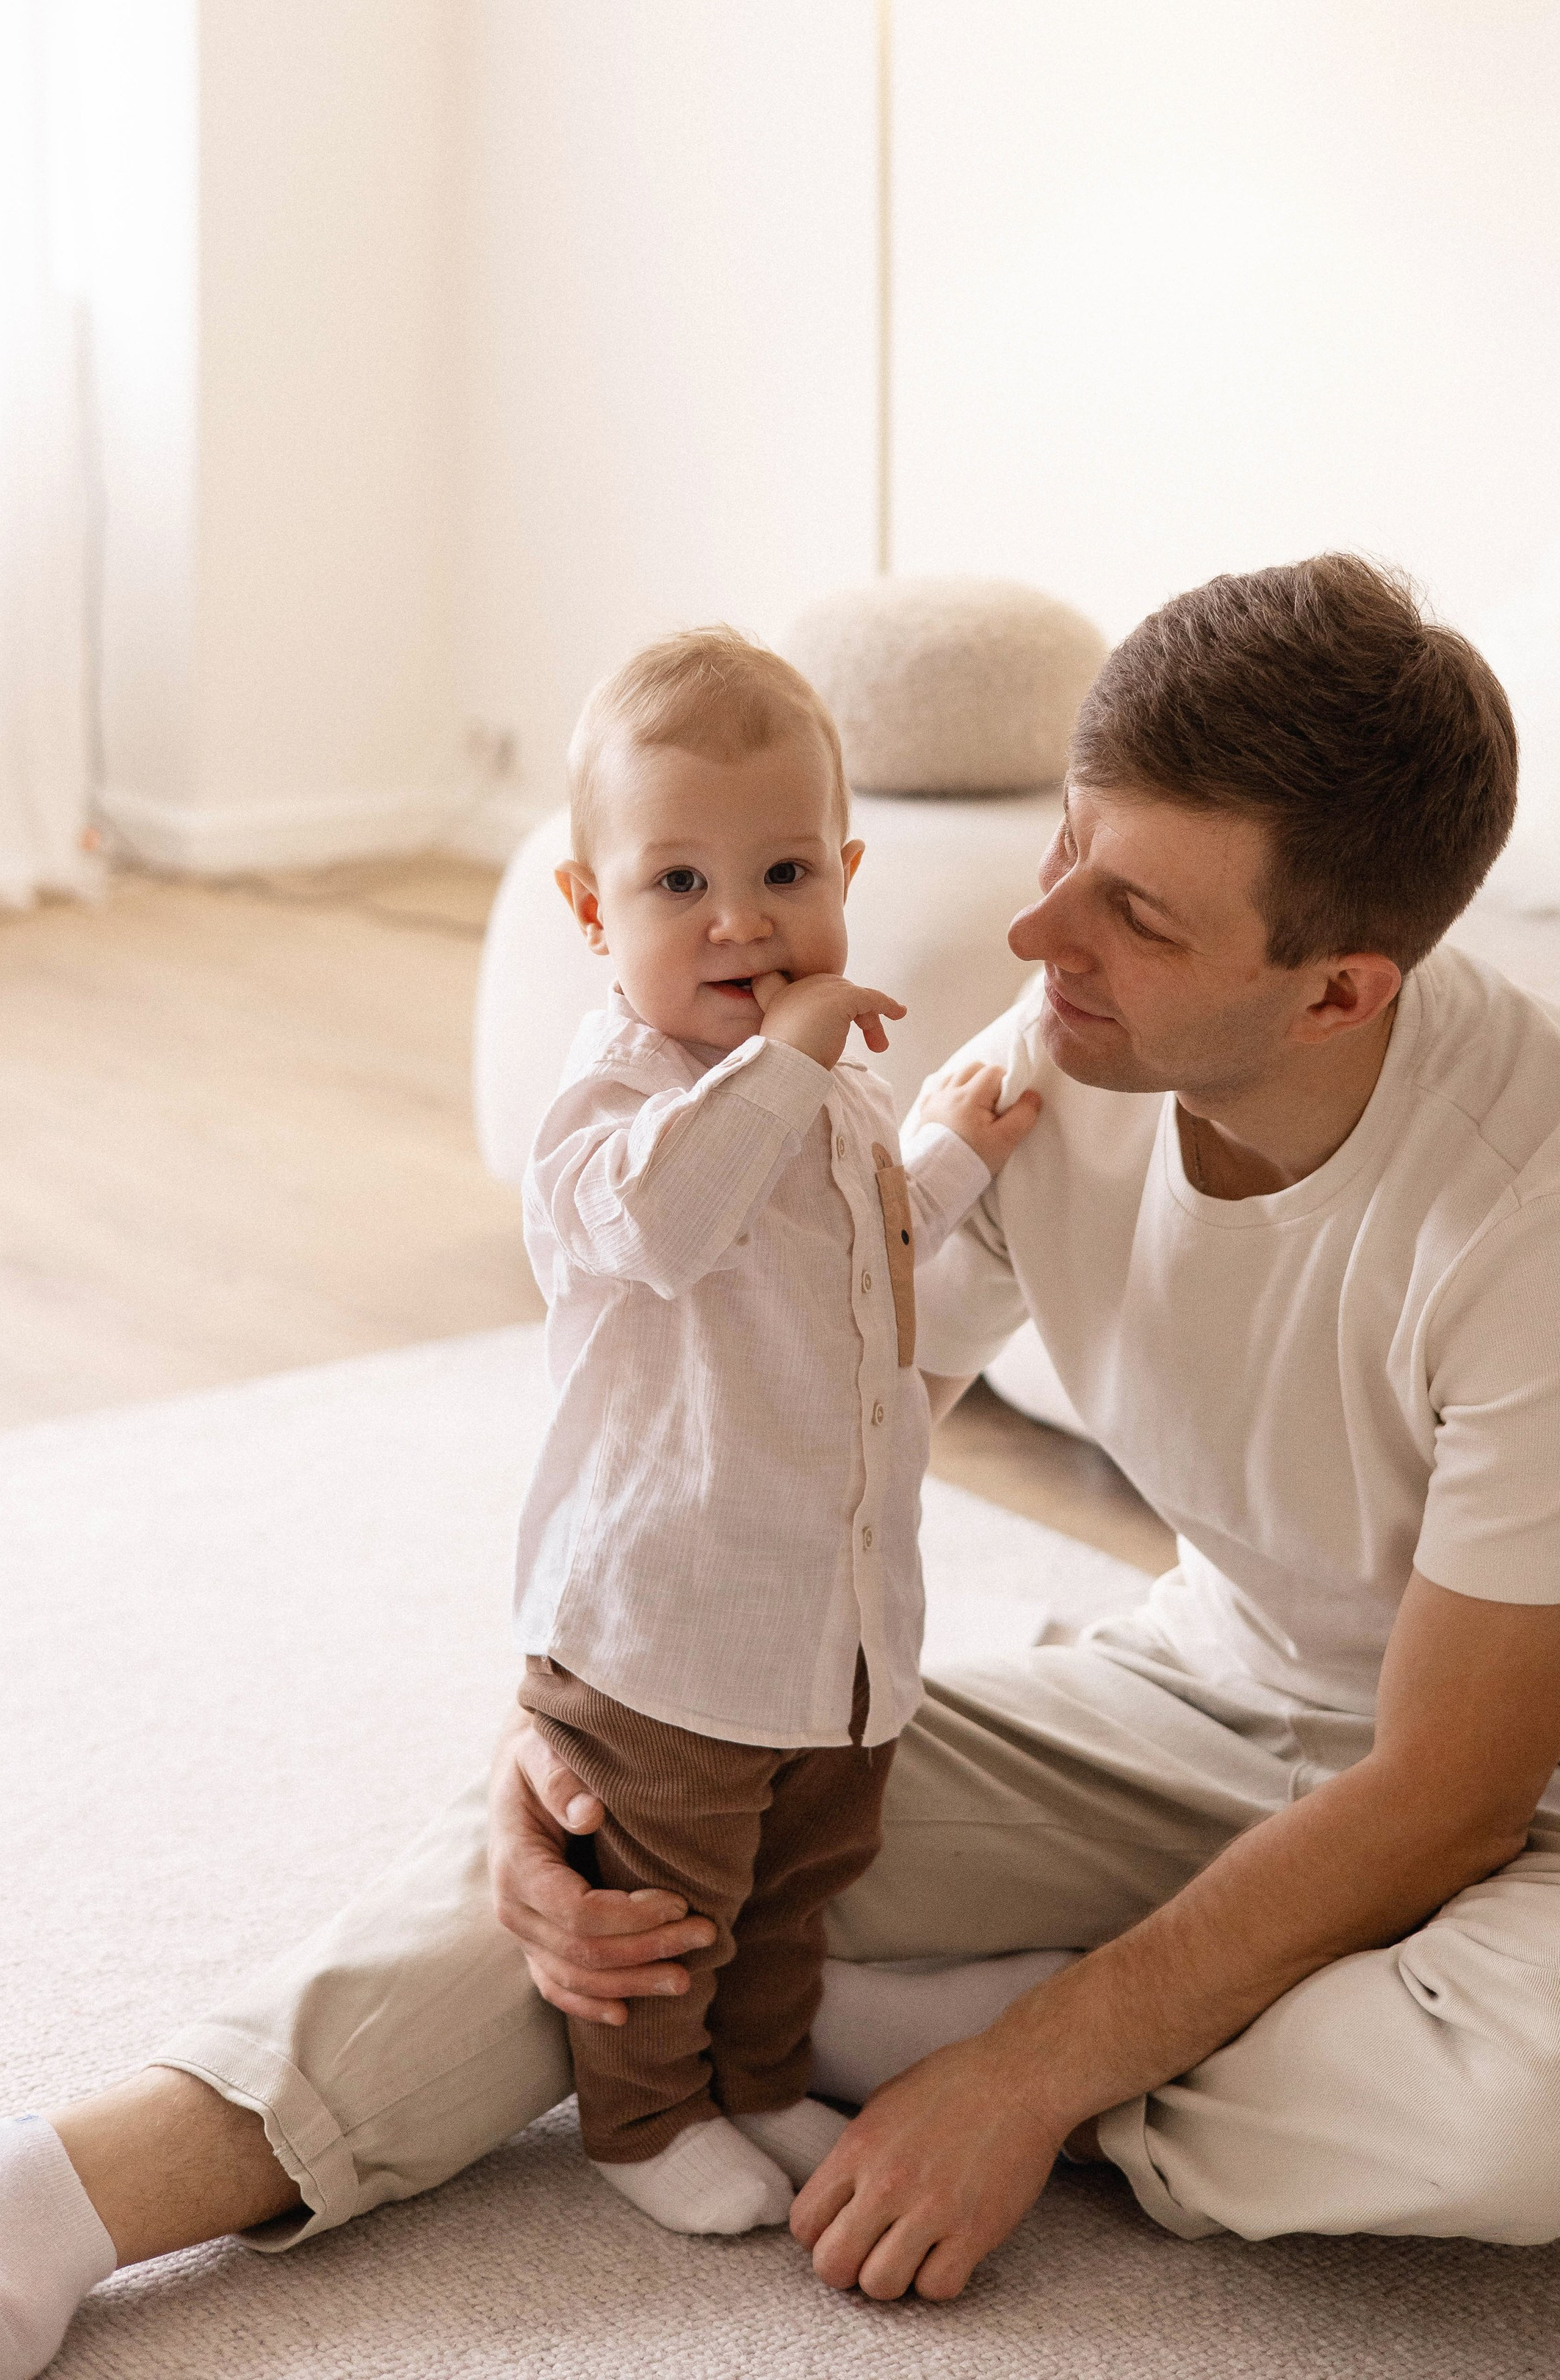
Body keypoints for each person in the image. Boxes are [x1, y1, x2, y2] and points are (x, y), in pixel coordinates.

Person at [0, 558, 1560, 2379]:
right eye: (1063, 845)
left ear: (1333, 991)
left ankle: (920, 2037)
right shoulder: (1055, 1056)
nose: (1038, 936)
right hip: (1192, 1695)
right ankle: (44, 2199)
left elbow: (1445, 1794)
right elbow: (759, 1430)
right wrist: (555, 1725)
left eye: (1132, 910)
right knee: (631, 1843)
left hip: (1550, 1791)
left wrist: (1027, 2071)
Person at [509, 628, 1036, 2234]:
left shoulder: (830, 1096)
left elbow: (863, 1268)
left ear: (846, 873)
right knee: (667, 1902)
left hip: (826, 1621)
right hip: (666, 1624)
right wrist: (794, 1054)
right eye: (677, 885)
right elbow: (675, 1225)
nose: (741, 919)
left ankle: (751, 2080)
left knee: (797, 1881)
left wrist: (944, 1153)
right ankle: (645, 2117)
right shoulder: (611, 1115)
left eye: (786, 869)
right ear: (594, 913)